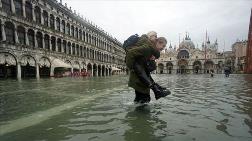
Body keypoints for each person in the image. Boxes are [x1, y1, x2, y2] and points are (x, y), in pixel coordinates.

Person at [126, 31, 171, 104]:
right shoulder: (147, 48)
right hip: (138, 79)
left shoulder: (151, 52)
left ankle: (157, 89)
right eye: (163, 46)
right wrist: (132, 68)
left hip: (142, 79)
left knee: (142, 101)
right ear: (158, 42)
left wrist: (152, 60)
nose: (163, 48)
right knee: (143, 101)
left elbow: (148, 69)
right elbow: (130, 53)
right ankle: (156, 91)